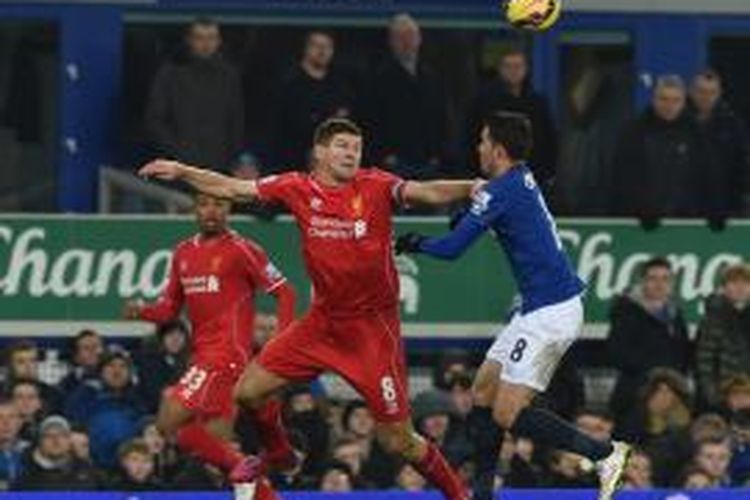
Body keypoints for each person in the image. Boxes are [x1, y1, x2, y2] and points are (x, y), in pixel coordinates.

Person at [138, 117, 480, 499]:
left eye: (356, 147)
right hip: (322, 322)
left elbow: (427, 192)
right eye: (342, 146)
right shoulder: (296, 187)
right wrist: (182, 170)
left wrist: (470, 186)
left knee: (398, 442)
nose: (352, 153)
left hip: (371, 331)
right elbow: (233, 187)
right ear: (320, 151)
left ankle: (460, 495)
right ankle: (282, 453)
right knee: (248, 392)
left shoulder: (376, 185)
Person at [395, 111, 630, 500]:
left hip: (550, 314)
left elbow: (453, 250)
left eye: (484, 141)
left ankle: (605, 453)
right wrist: (466, 215)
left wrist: (412, 242)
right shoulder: (519, 177)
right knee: (483, 391)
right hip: (539, 307)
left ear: (499, 150)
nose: (479, 147)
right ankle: (483, 494)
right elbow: (489, 214)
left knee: (508, 413)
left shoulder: (499, 190)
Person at [123, 192, 298, 499]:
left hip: (226, 356)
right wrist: (142, 311)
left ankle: (244, 470)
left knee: (167, 421)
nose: (211, 211)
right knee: (204, 442)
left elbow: (286, 293)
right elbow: (169, 310)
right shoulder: (183, 253)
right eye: (204, 204)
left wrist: (279, 346)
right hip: (202, 357)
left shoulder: (243, 250)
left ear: (229, 208)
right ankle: (256, 486)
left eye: (218, 204)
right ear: (194, 209)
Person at [145, 16, 244, 171]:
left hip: (217, 168)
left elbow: (235, 120)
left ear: (219, 41)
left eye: (211, 38)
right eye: (200, 38)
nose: (206, 44)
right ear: (189, 40)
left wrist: (232, 158)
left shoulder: (229, 76)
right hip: (178, 168)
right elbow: (155, 120)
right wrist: (178, 154)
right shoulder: (170, 74)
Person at [612, 75, 713, 222]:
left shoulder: (695, 133)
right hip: (640, 222)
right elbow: (623, 178)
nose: (669, 105)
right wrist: (639, 210)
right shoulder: (634, 132)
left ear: (684, 102)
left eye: (675, 100)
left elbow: (705, 176)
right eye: (663, 99)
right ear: (654, 99)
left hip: (686, 222)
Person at [607, 257, 691, 423]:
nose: (659, 284)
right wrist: (653, 379)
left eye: (665, 279)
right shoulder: (626, 311)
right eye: (653, 278)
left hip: (671, 394)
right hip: (634, 394)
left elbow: (683, 352)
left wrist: (672, 383)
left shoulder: (675, 314)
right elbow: (617, 353)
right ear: (643, 281)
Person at [368, 13, 447, 179]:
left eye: (411, 35)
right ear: (391, 42)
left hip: (429, 163)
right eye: (400, 37)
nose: (407, 42)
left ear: (420, 39)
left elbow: (441, 117)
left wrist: (437, 154)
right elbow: (371, 121)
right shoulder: (378, 78)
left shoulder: (431, 77)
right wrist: (385, 155)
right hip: (395, 164)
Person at [471, 48, 557, 189]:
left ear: (526, 69)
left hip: (532, 176)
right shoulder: (484, 101)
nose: (513, 71)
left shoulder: (537, 103)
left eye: (518, 66)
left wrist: (547, 174)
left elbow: (548, 140)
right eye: (508, 66)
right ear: (500, 69)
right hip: (491, 177)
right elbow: (472, 135)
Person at [270, 31, 354, 171]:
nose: (322, 51)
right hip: (294, 166)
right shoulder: (289, 85)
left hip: (333, 168)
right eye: (316, 45)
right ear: (305, 49)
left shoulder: (341, 85)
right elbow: (281, 128)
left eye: (327, 46)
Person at [689, 69, 750, 218]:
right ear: (691, 91)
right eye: (701, 91)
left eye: (712, 92)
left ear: (719, 93)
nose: (706, 97)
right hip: (684, 209)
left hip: (724, 208)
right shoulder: (678, 123)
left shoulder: (733, 125)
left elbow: (742, 166)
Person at [695, 263, 750, 409]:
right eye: (734, 282)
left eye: (745, 282)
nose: (740, 287)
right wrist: (717, 399)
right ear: (724, 287)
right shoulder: (712, 320)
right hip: (723, 399)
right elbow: (704, 363)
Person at [13, 415, 99, 491]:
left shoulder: (87, 471)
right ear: (40, 441)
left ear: (69, 440)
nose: (56, 440)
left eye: (62, 435)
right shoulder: (25, 474)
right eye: (49, 436)